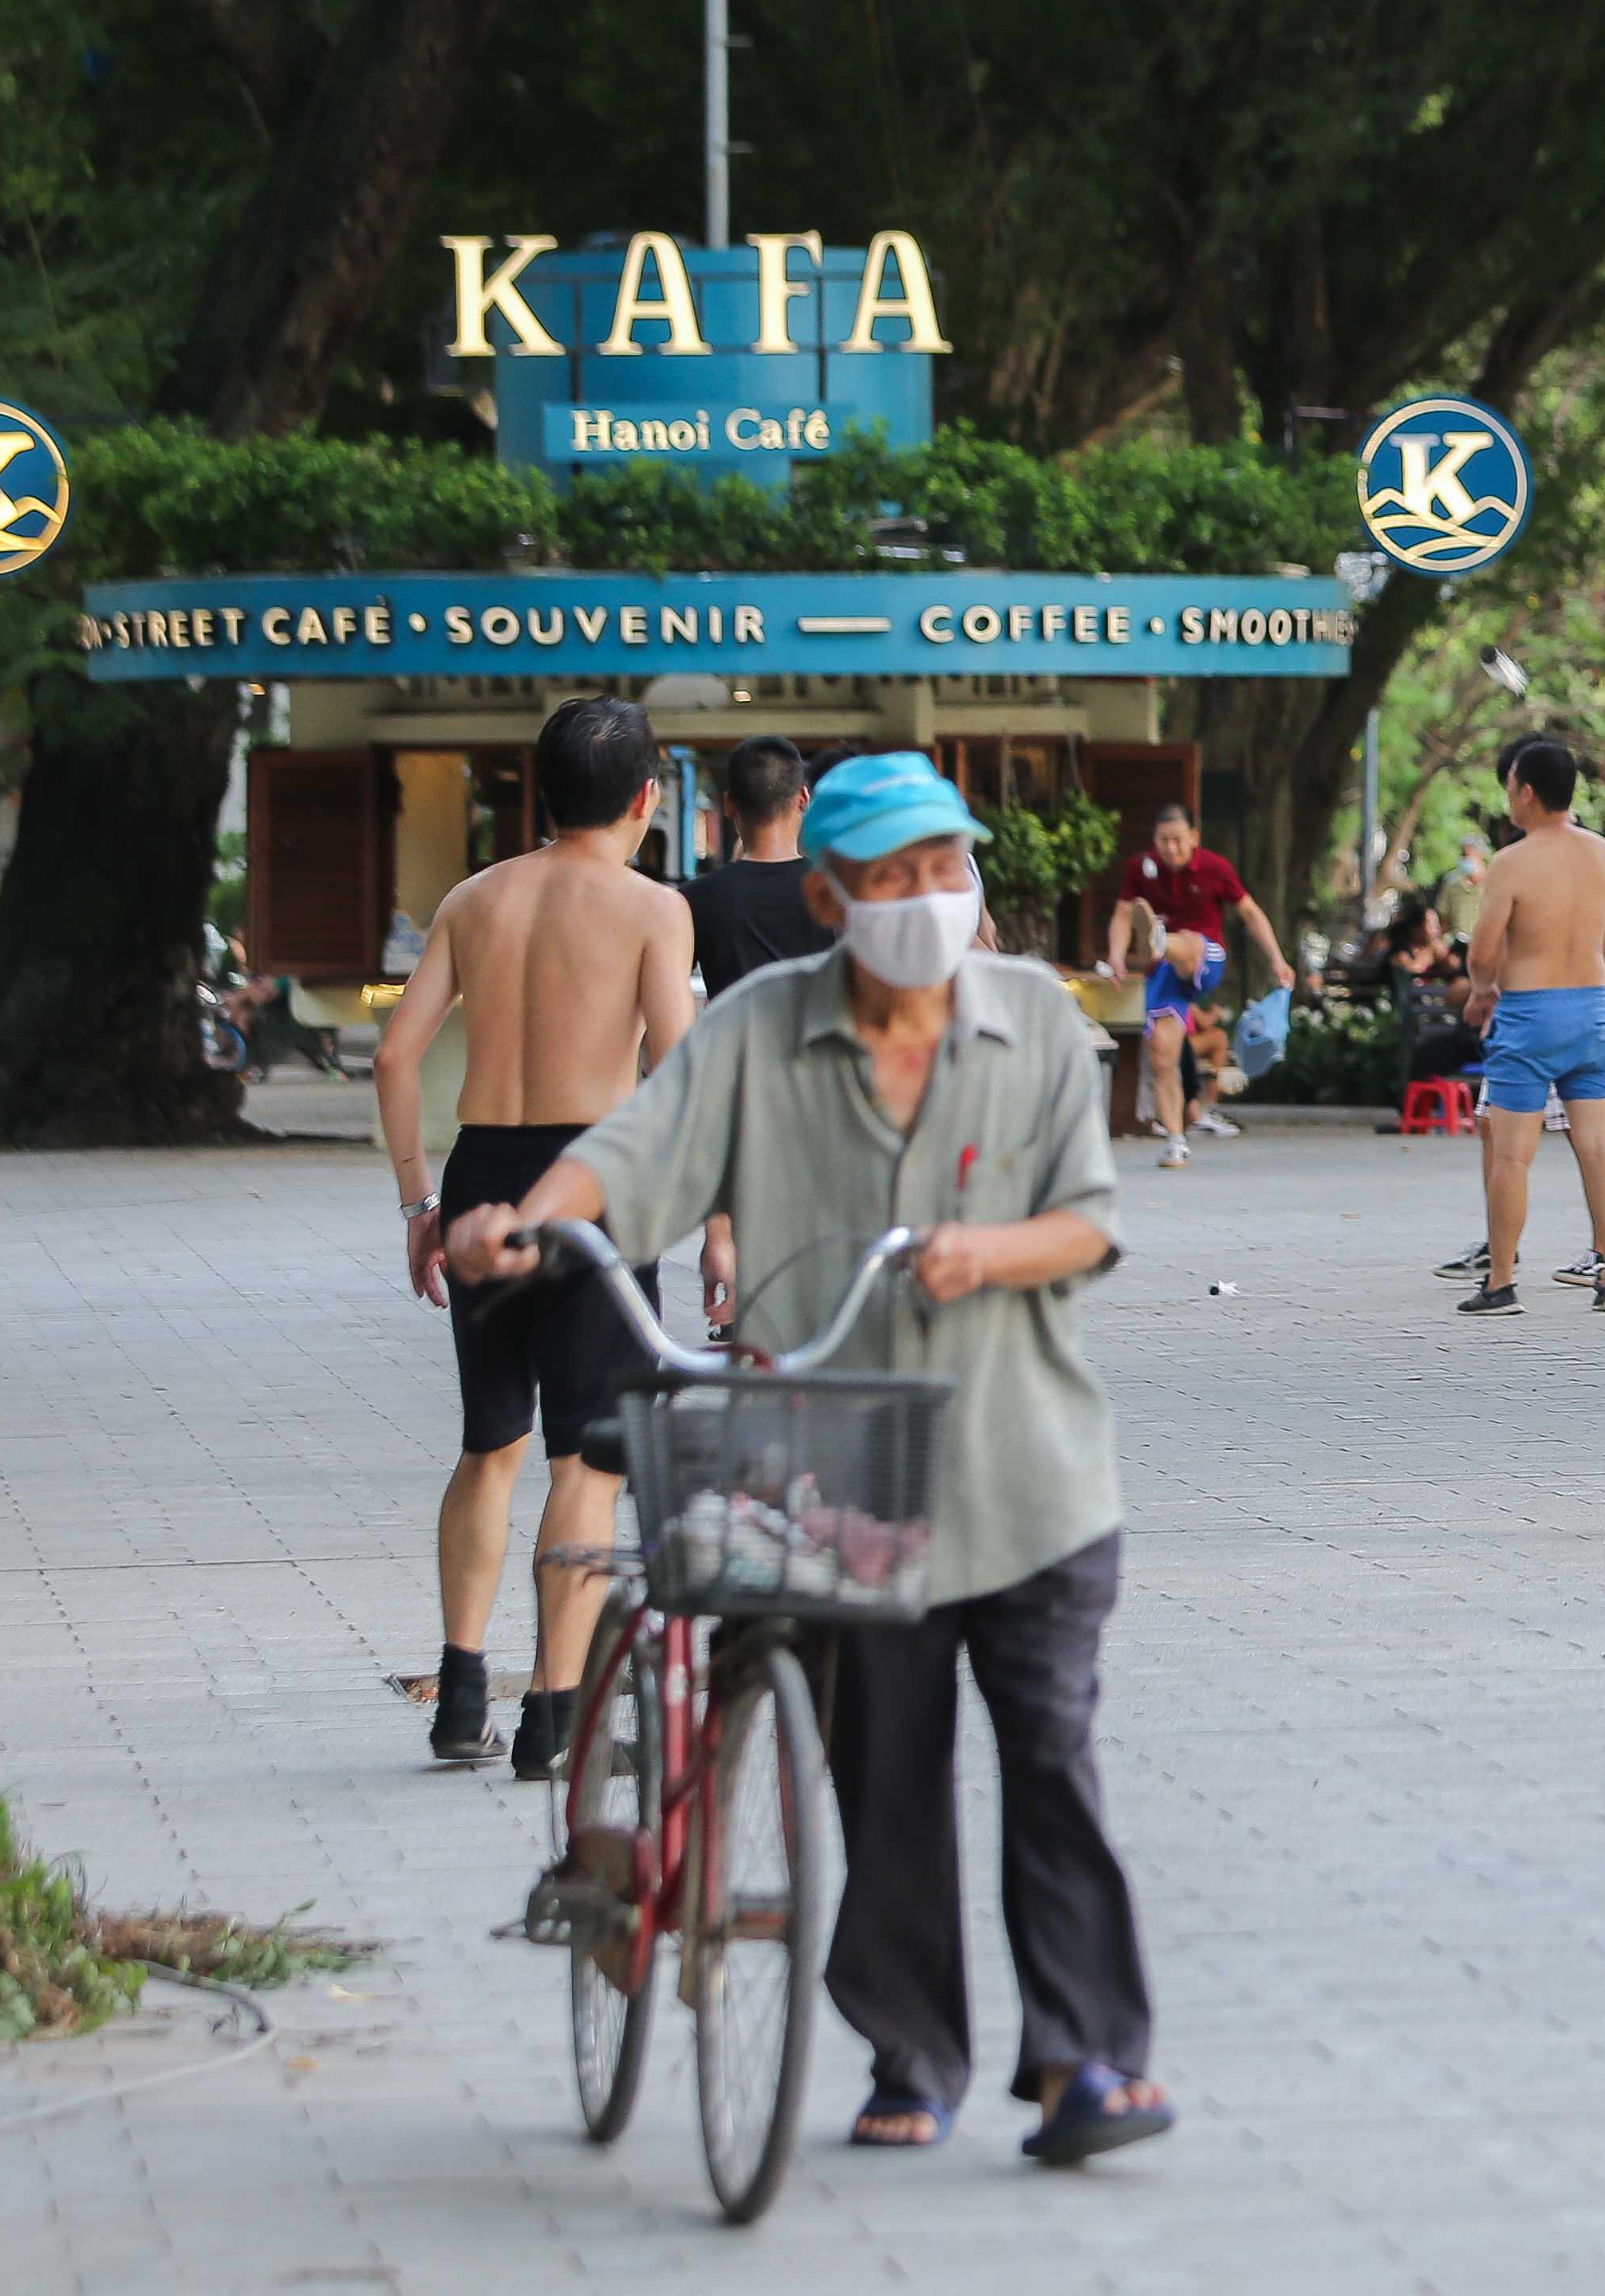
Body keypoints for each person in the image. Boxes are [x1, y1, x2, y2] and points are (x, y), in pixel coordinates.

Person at [443, 750, 1169, 2160]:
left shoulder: (1030, 1017)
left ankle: (1085, 2062)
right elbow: (631, 1147)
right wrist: (529, 1219)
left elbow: (1089, 1218)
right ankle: (912, 2054)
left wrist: (988, 1251)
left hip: (1029, 1471)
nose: (925, 900)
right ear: (827, 895)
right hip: (837, 1472)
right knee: (884, 1772)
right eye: (891, 879)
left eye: (945, 871)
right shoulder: (760, 1029)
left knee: (1053, 1764)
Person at [373, 695, 697, 1776]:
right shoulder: (652, 909)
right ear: (646, 800)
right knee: (587, 1460)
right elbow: (679, 1073)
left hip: (480, 1179)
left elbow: (395, 1058)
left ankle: (461, 1692)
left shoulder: (473, 899)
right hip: (595, 1185)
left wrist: (423, 1204)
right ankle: (555, 1717)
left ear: (539, 792)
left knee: (490, 1444)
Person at [1452, 738, 1605, 1316]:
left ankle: (1502, 1282)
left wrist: (1483, 993)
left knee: (1512, 1156)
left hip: (1529, 1015)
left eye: (1510, 786)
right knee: (1599, 1147)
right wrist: (1604, 1001)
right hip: (1589, 1012)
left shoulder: (1512, 861)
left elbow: (1482, 953)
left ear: (1526, 792)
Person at [1104, 801, 1282, 1166]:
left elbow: (1249, 912)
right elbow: (1122, 914)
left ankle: (1160, 939)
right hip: (1166, 974)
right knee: (1161, 1053)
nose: (1170, 849)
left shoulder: (1215, 868)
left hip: (1206, 956)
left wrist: (1277, 959)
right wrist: (1117, 956)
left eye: (1178, 841)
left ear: (1195, 838)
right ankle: (1175, 1140)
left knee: (1187, 942)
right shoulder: (1141, 868)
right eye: (1163, 841)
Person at [684, 734, 827, 993]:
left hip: (731, 1034)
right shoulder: (835, 891)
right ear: (803, 798)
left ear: (728, 805)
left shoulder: (693, 900)